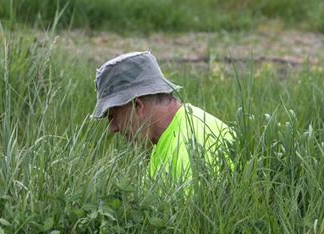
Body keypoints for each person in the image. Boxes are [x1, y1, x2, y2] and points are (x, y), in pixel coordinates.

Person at [91, 51, 234, 185]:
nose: (112, 128)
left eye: (113, 115)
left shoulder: (188, 148)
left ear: (137, 106)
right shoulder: (176, 130)